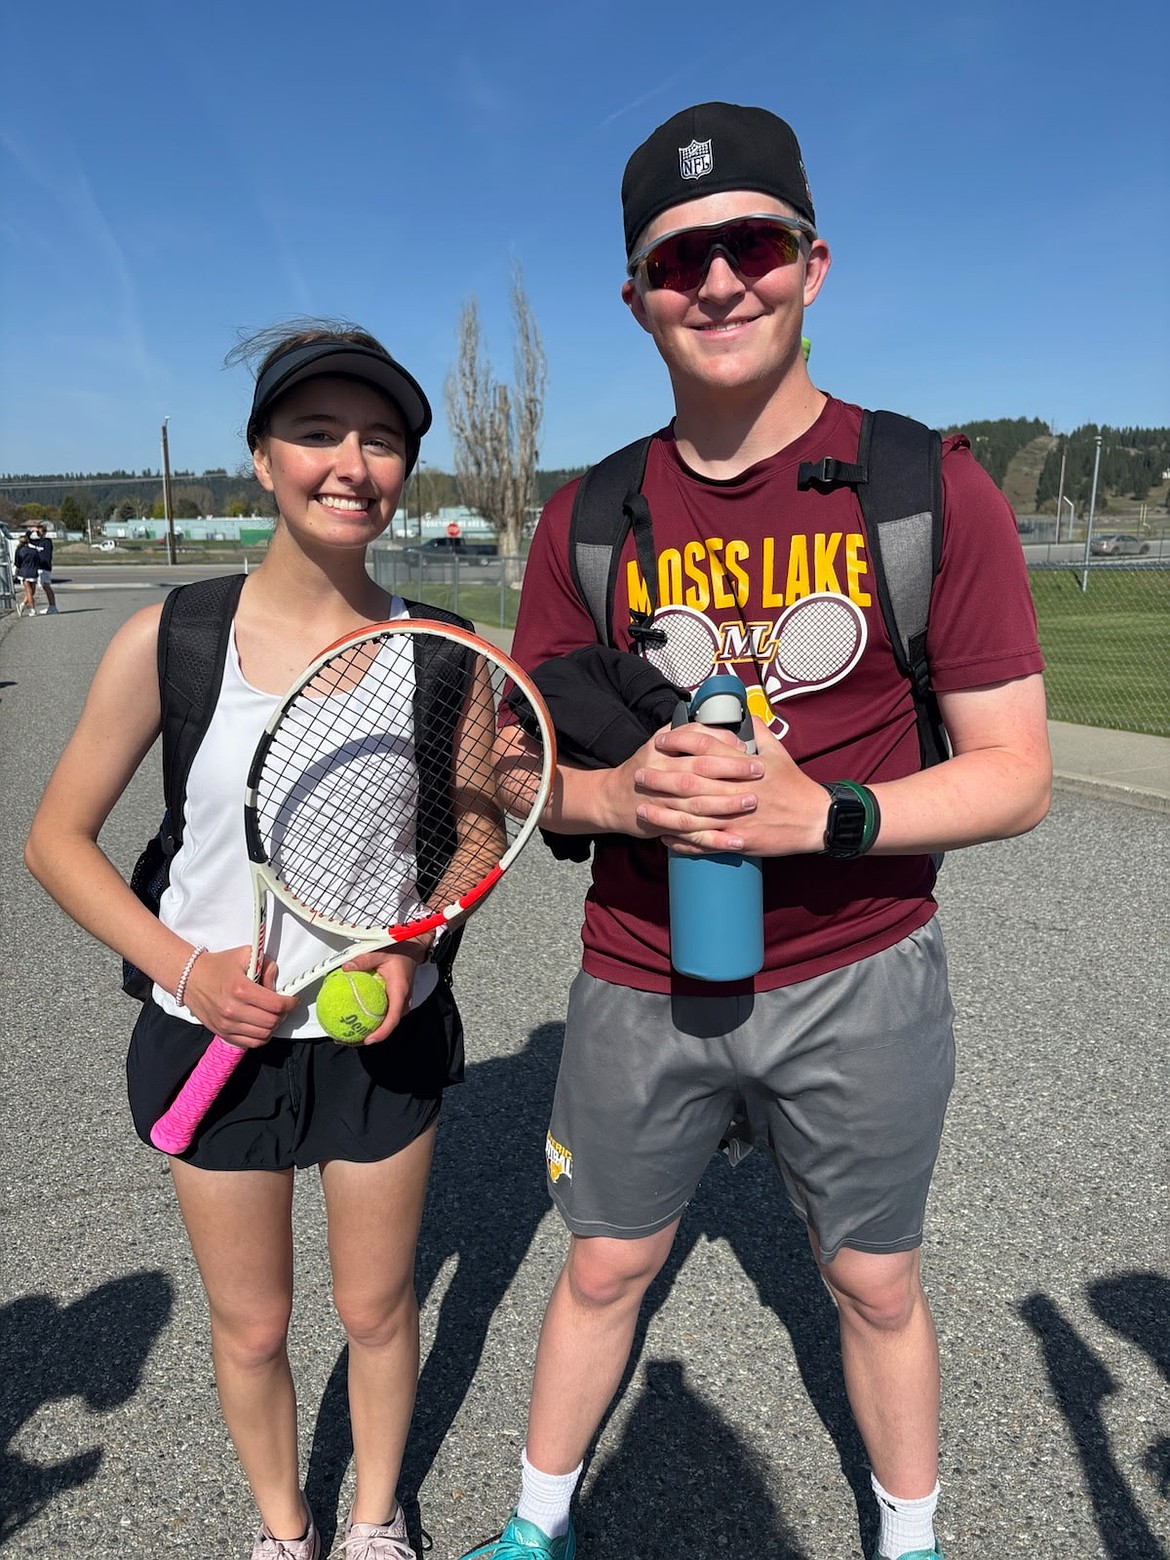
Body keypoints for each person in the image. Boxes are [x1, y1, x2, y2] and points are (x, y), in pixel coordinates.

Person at [465, 103, 1051, 1560]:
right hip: (635, 966)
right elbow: (512, 763)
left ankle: (907, 1540)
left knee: (870, 1285)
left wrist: (827, 813)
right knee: (604, 1265)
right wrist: (613, 800)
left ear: (811, 262)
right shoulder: (585, 519)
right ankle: (534, 1533)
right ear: (635, 298)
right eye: (681, 263)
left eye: (752, 245)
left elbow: (1014, 774)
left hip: (861, 968)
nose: (720, 283)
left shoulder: (927, 487)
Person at [26, 322, 464, 1560]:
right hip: (206, 1030)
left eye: (382, 440)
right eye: (318, 433)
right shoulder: (169, 638)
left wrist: (411, 949)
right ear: (263, 458)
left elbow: (473, 840)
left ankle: (377, 1521)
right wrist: (189, 970)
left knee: (377, 1312)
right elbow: (57, 842)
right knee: (255, 1329)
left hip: (381, 1037)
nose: (351, 463)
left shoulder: (443, 654)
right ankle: (287, 1530)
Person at [29, 522, 59, 612]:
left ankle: (53, 607)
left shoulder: (47, 542)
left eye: (40, 531)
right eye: (37, 532)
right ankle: (51, 606)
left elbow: (47, 555)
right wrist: (31, 531)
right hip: (38, 567)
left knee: (46, 586)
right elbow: (27, 539)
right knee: (40, 586)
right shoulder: (37, 542)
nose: (38, 533)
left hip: (45, 567)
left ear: (44, 532)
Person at [13, 530, 39, 616]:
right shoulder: (34, 551)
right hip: (33, 572)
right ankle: (23, 605)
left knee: (28, 592)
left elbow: (17, 563)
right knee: (32, 591)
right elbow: (38, 561)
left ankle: (31, 609)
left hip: (24, 572)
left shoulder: (19, 551)